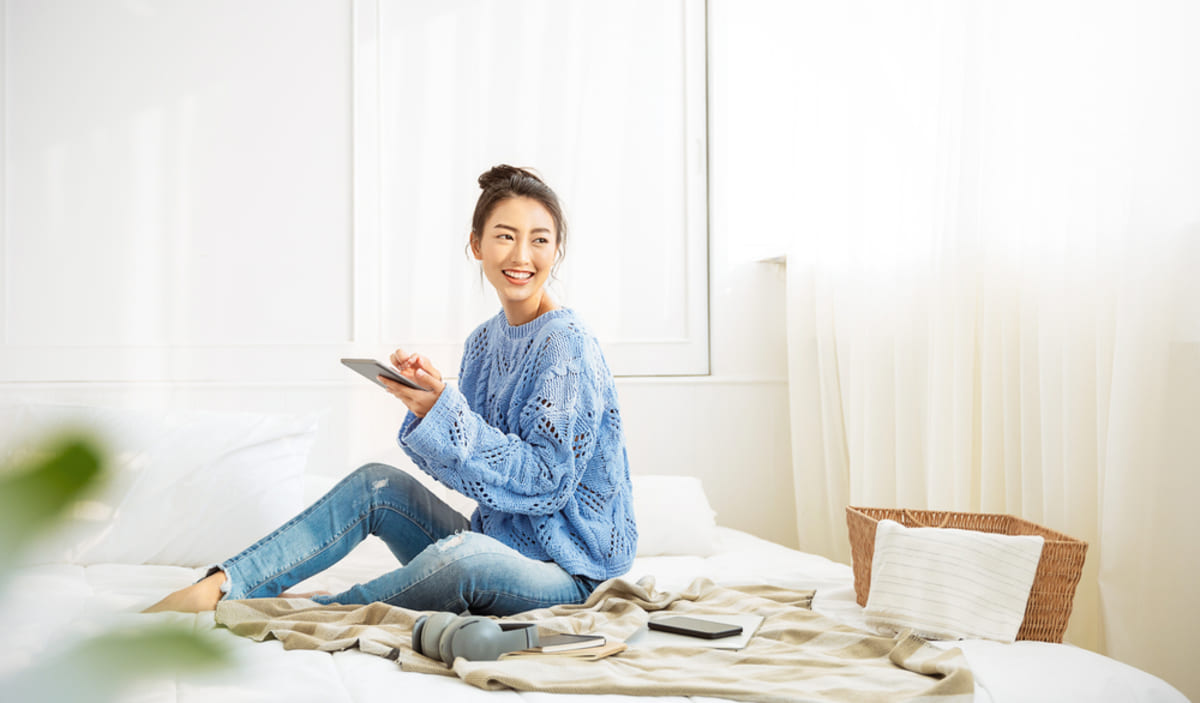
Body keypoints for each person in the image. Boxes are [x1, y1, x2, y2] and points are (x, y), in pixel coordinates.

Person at [144, 165, 638, 615]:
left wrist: (450, 416)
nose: (521, 256)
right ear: (477, 245)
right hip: (497, 546)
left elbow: (546, 482)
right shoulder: (484, 343)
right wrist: (429, 408)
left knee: (464, 558)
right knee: (376, 483)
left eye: (540, 241)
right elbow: (477, 479)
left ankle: (322, 608)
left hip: (569, 573)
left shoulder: (566, 345)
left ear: (557, 251)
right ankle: (226, 585)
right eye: (505, 237)